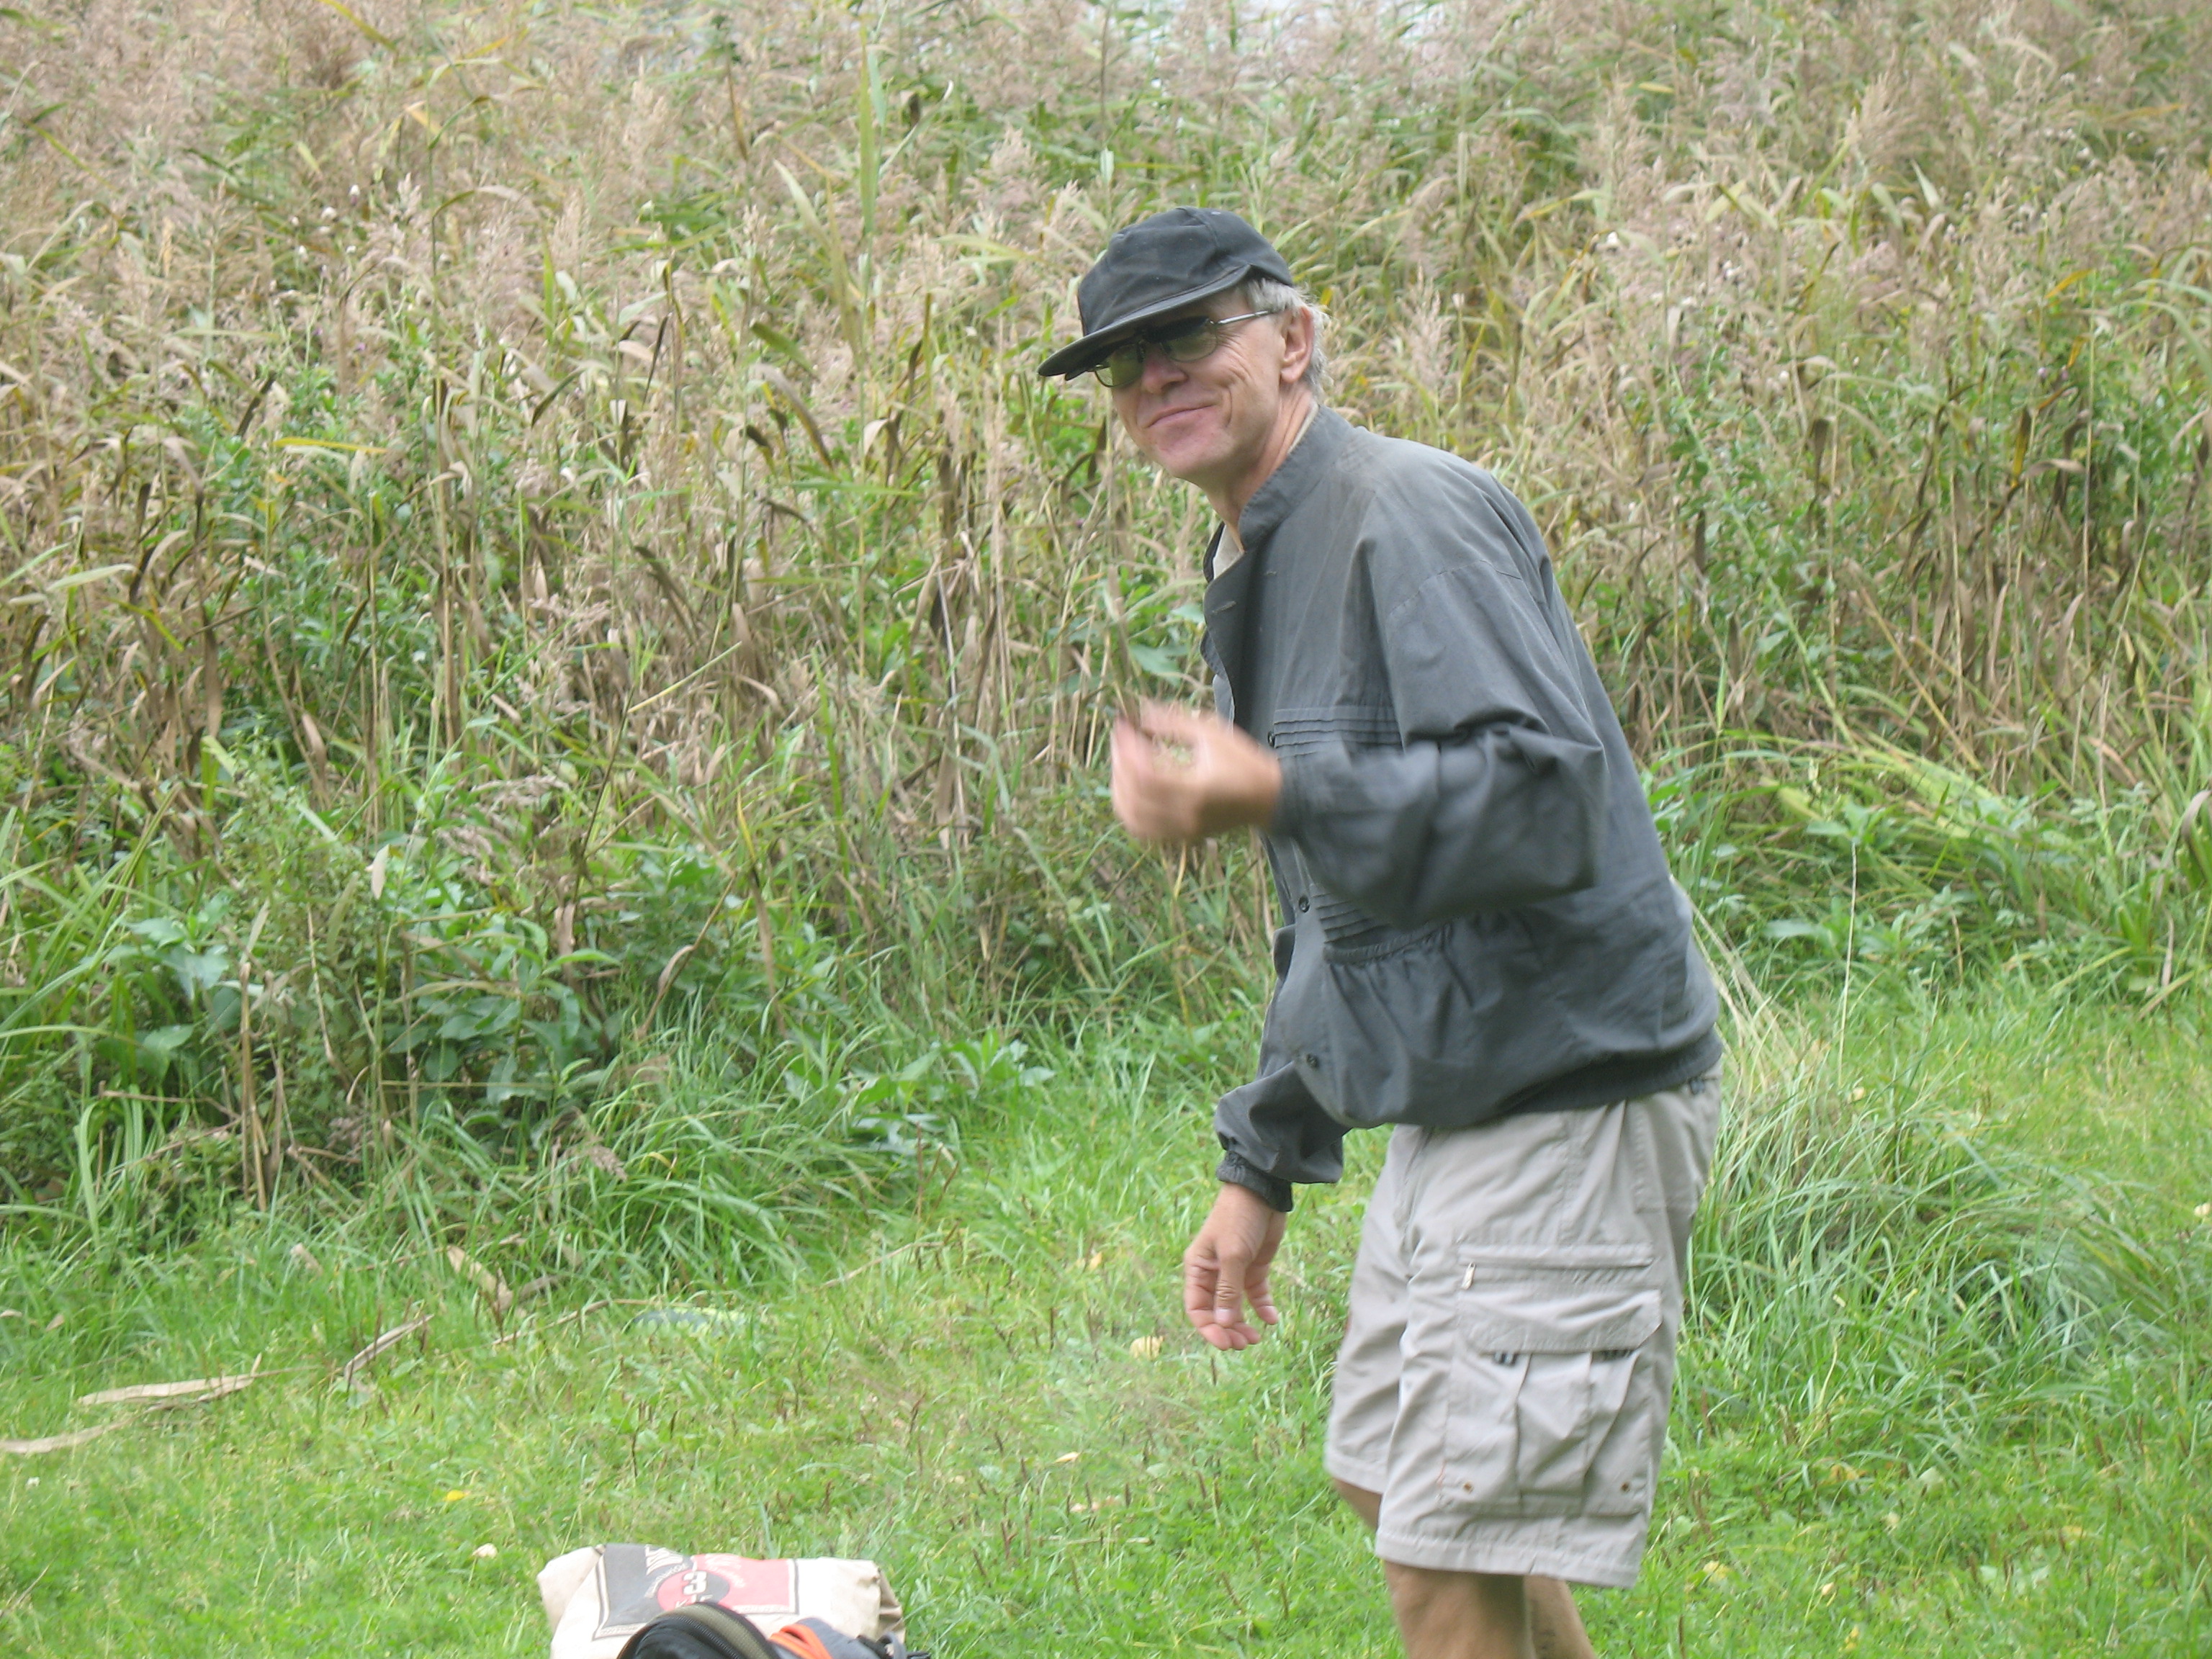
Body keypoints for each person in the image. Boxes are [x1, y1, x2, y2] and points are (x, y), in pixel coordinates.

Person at [1038, 207, 1724, 1659]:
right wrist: (1264, 1157)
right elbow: (1335, 914)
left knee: (1441, 1543)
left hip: (1565, 1088)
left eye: (1190, 335)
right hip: (1468, 1096)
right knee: (1390, 1482)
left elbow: (1546, 799)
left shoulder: (1405, 515)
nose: (1156, 376)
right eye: (1123, 363)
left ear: (1295, 340)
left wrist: (1281, 788)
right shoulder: (1264, 551)